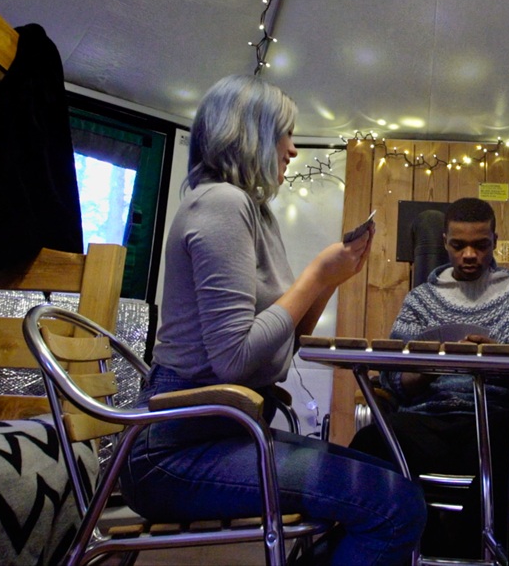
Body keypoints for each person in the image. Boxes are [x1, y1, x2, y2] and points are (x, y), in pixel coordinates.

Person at [122, 74, 425, 566]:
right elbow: (235, 360)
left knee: (390, 483)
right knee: (394, 506)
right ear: (251, 133)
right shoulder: (222, 203)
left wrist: (332, 279)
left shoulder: (255, 212)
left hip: (224, 431)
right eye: (286, 134)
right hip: (174, 453)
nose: (292, 150)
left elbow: (276, 357)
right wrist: (315, 274)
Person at [349, 197, 509, 558]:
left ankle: (471, 550)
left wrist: (501, 363)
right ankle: (398, 549)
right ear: (445, 241)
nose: (469, 255)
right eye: (458, 245)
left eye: (481, 245)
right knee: (371, 443)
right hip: (430, 420)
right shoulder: (421, 300)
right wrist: (429, 369)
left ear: (495, 240)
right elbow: (391, 377)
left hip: (500, 420)